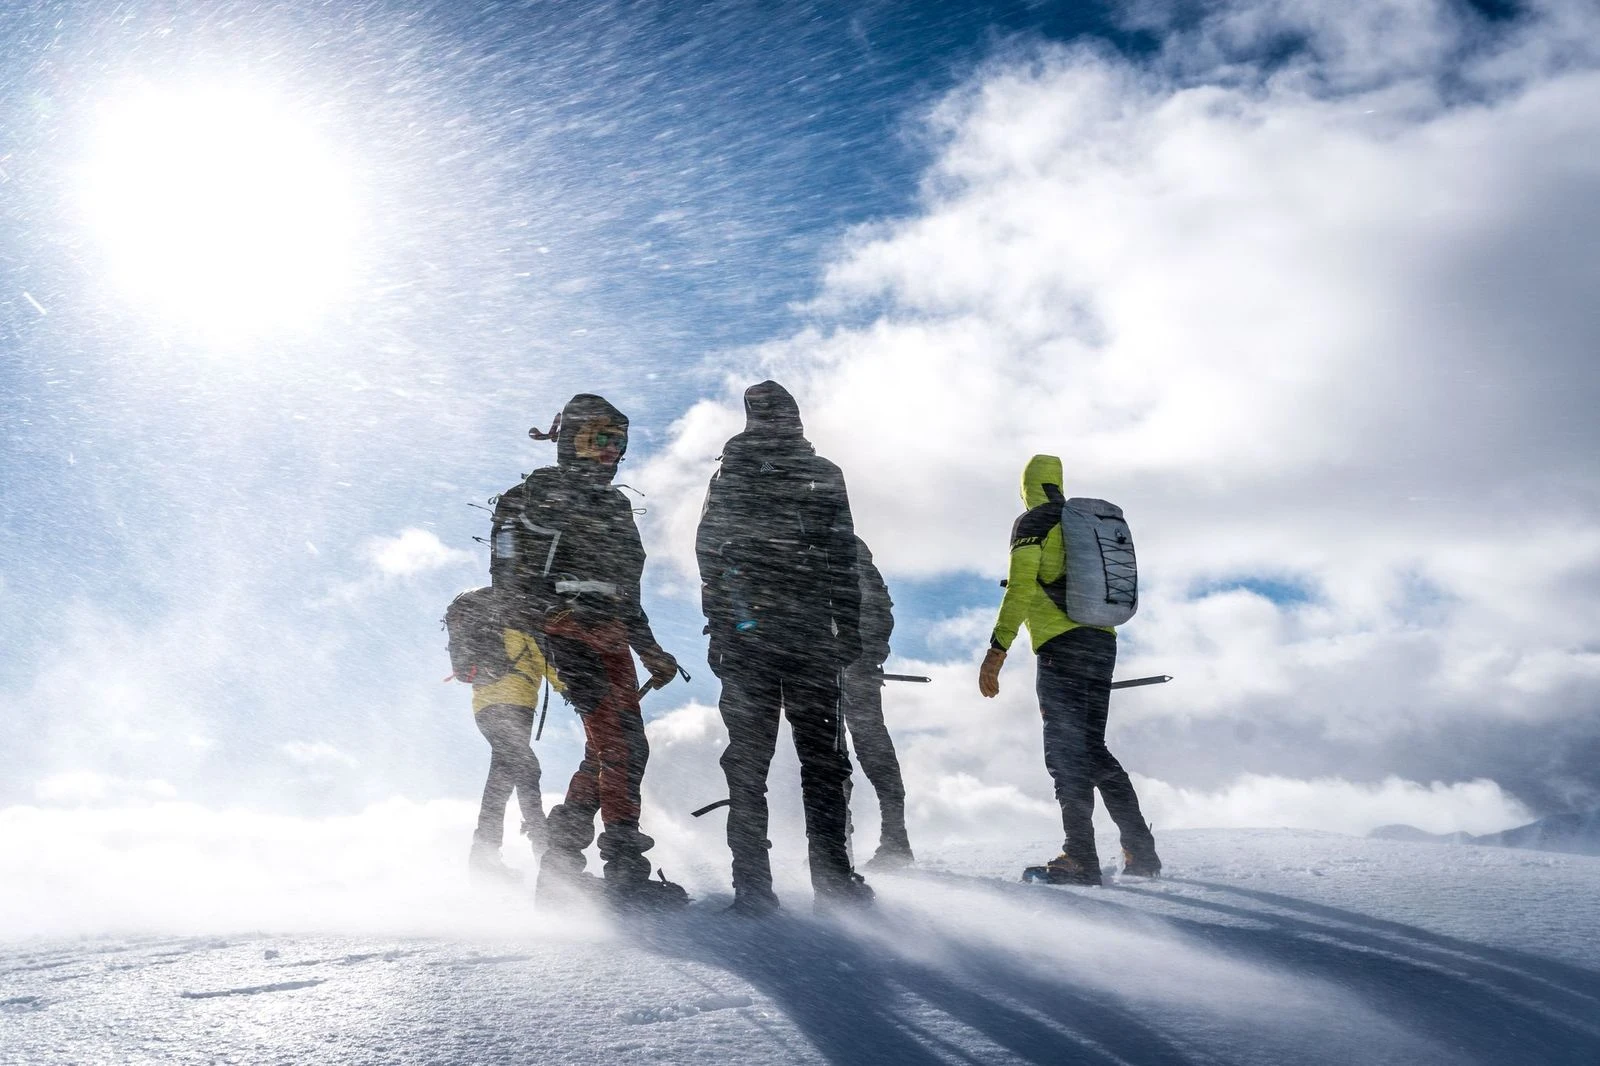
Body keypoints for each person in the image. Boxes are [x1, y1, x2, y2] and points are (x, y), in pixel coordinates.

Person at [490, 393, 685, 910]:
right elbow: (508, 576)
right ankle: (622, 870)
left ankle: (561, 869)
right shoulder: (534, 497)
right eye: (595, 438)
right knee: (621, 744)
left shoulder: (615, 506)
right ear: (568, 440)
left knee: (610, 747)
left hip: (609, 638)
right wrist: (550, 621)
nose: (608, 450)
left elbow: (627, 590)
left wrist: (651, 651)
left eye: (616, 440)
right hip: (570, 638)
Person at [697, 380, 872, 916]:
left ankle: (752, 887)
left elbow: (707, 553)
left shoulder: (730, 472)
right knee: (823, 762)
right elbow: (844, 555)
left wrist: (722, 628)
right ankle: (834, 883)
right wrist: (850, 632)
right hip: (813, 634)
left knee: (748, 764)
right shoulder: (823, 473)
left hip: (748, 636)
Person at [978, 454, 1161, 886]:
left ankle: (1080, 858)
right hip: (1103, 641)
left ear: (1026, 486)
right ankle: (1141, 851)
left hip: (1060, 648)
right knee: (1092, 749)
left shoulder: (1034, 522)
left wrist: (997, 649)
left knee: (1065, 757)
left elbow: (1022, 587)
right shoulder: (1083, 520)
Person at [841, 535, 914, 870]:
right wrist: (869, 655)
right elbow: (880, 604)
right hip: (855, 664)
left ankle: (840, 841)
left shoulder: (813, 538)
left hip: (831, 666)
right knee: (868, 746)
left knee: (832, 755)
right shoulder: (849, 542)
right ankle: (891, 837)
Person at [467, 627, 558, 883]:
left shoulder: (490, 626)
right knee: (527, 769)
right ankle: (545, 853)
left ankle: (485, 856)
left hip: (484, 709)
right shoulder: (524, 625)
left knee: (503, 776)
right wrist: (571, 690)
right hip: (516, 705)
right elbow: (544, 662)